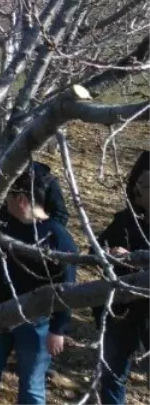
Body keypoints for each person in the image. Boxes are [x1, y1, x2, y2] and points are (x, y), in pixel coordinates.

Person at [0, 168, 78, 405]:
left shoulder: (58, 239)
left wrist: (58, 329)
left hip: (35, 321)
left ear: (21, 199)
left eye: (8, 196)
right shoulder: (5, 223)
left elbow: (66, 289)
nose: (3, 202)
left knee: (31, 385)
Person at [93, 150, 150, 405]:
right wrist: (108, 255)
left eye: (143, 186)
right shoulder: (125, 221)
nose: (137, 190)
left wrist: (135, 257)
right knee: (113, 374)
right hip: (122, 310)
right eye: (136, 184)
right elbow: (96, 248)